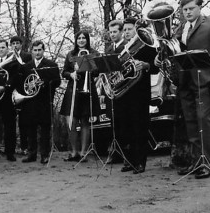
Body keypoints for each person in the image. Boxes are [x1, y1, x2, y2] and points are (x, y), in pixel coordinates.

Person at [175, 0, 210, 179]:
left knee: (203, 121)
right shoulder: (181, 28)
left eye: (191, 8)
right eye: (184, 10)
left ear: (199, 8)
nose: (188, 12)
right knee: (191, 124)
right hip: (186, 82)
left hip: (206, 81)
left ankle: (207, 164)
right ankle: (196, 162)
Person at [112, 18, 159, 174]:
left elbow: (155, 68)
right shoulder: (122, 49)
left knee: (140, 128)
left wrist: (145, 65)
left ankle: (140, 162)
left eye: (129, 29)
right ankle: (130, 161)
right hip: (125, 94)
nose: (126, 32)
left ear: (136, 30)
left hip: (139, 93)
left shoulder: (146, 46)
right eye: (124, 30)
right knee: (127, 129)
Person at [59, 31, 101, 162]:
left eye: (84, 38)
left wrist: (85, 66)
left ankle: (83, 153)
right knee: (70, 121)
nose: (81, 40)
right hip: (73, 90)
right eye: (79, 38)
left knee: (84, 121)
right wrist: (71, 74)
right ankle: (74, 152)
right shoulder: (70, 54)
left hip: (87, 88)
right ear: (76, 40)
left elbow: (96, 72)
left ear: (87, 40)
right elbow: (64, 72)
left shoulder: (94, 53)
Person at [18, 40, 59, 164]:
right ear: (32, 51)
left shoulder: (51, 64)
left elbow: (57, 82)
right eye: (35, 50)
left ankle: (44, 155)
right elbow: (22, 85)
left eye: (39, 50)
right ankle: (32, 154)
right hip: (30, 102)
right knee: (31, 129)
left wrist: (45, 82)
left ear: (43, 50)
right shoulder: (26, 66)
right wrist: (29, 87)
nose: (37, 52)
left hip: (44, 102)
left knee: (45, 130)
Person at [104, 19, 128, 165]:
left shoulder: (126, 47)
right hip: (113, 89)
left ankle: (125, 152)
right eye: (110, 32)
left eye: (115, 32)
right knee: (114, 122)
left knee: (124, 122)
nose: (112, 34)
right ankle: (116, 152)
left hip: (125, 88)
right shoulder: (108, 49)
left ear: (121, 32)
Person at [10, 36, 32, 155]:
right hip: (13, 90)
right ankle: (14, 147)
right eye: (13, 43)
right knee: (12, 121)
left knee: (24, 121)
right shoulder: (9, 56)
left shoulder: (27, 56)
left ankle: (25, 146)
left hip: (23, 90)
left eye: (17, 43)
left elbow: (29, 70)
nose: (15, 45)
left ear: (21, 45)